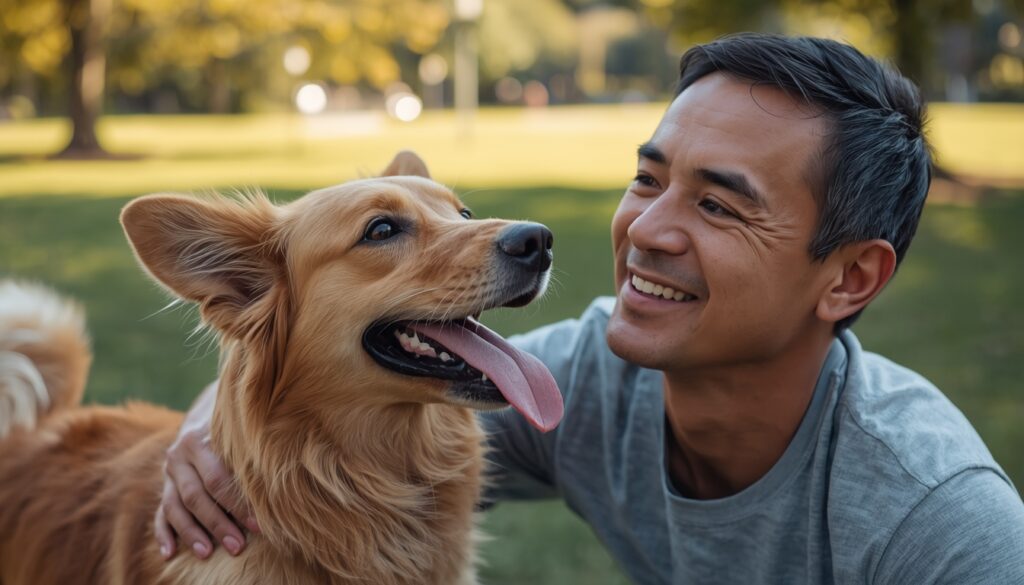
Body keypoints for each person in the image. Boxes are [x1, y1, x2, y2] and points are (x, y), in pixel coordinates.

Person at [154, 34, 1024, 583]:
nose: (647, 229)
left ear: (849, 279)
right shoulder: (582, 381)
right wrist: (206, 435)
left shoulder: (946, 525)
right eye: (648, 179)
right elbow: (306, 393)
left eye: (718, 205)